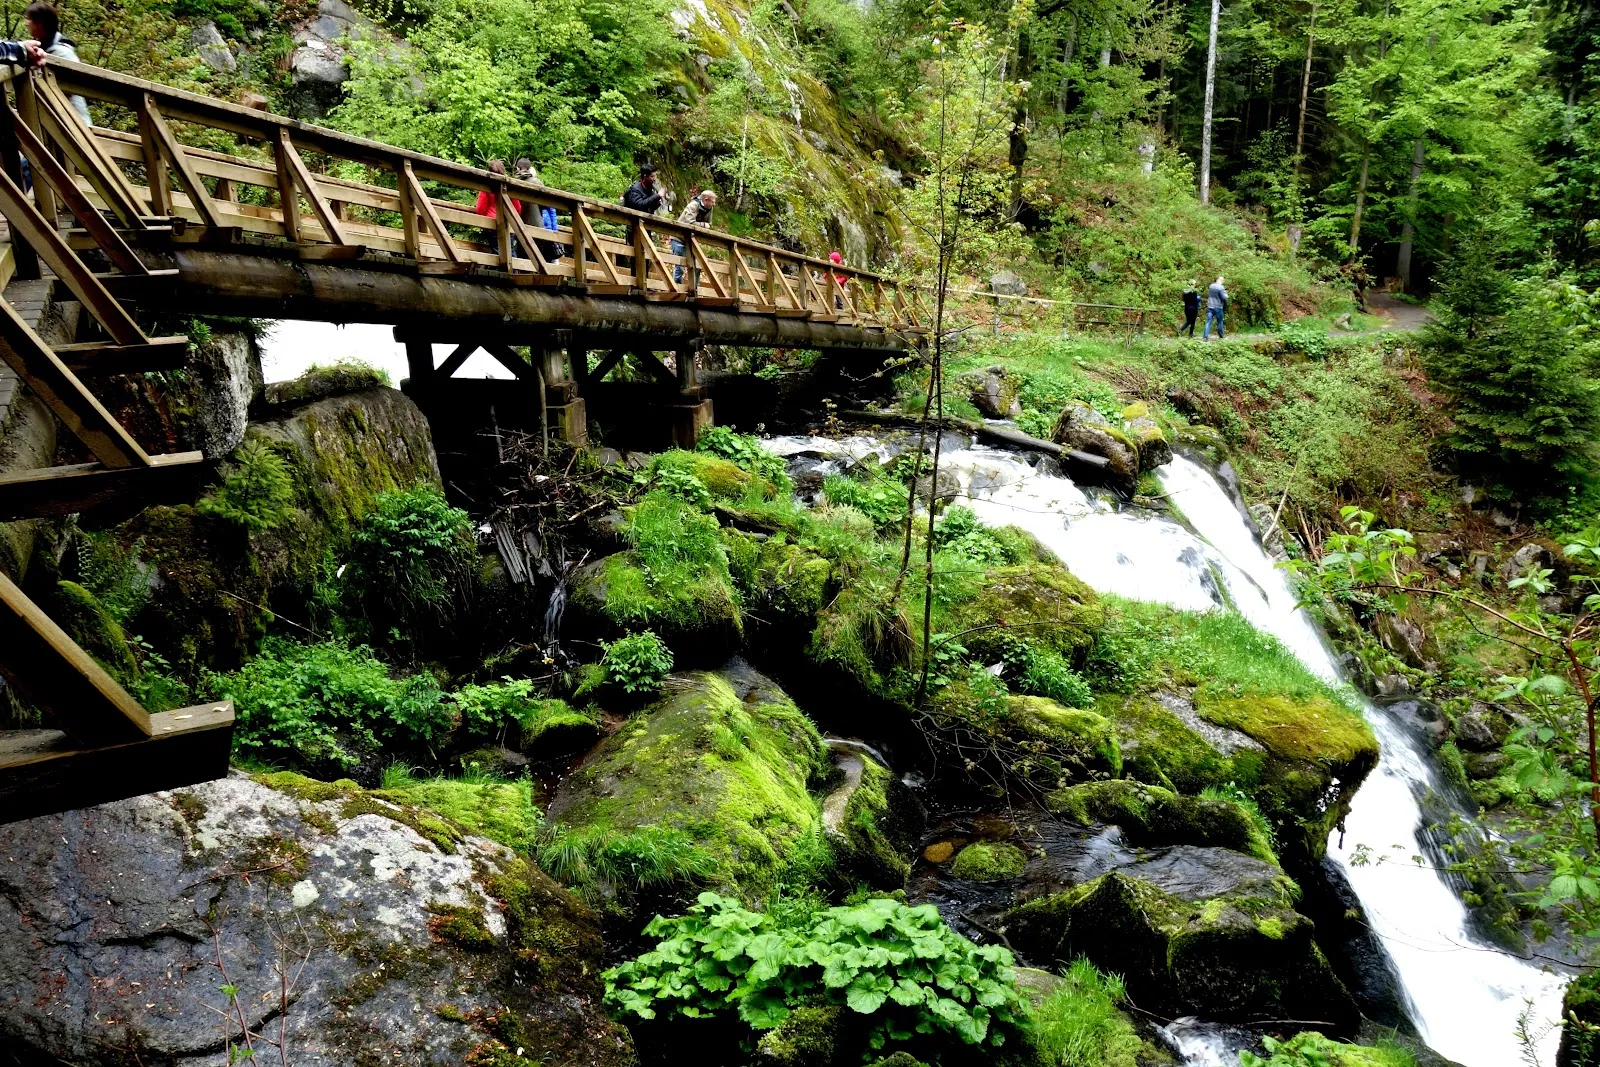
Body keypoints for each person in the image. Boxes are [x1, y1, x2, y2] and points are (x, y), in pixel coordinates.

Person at [24, 5, 86, 124]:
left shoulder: (61, 52)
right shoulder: (46, 47)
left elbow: (72, 88)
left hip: (73, 123)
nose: (26, 23)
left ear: (39, 23)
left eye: (29, 19)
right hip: (58, 120)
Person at [514, 157, 562, 260]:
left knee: (522, 257)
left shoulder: (512, 182)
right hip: (536, 224)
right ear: (530, 168)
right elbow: (546, 204)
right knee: (537, 258)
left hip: (518, 224)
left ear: (517, 168)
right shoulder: (537, 182)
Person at [672, 187, 716, 285]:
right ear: (706, 200)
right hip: (679, 238)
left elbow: (709, 224)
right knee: (680, 266)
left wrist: (705, 226)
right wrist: (703, 225)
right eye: (712, 202)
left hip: (692, 240)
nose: (714, 204)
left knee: (697, 265)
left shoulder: (709, 209)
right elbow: (689, 222)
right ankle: (676, 289)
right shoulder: (693, 205)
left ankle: (694, 289)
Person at [1203, 275, 1227, 340]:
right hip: (1218, 307)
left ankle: (1205, 336)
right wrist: (1226, 294)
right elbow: (1223, 298)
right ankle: (1221, 336)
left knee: (1208, 322)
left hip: (1210, 306)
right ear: (1222, 280)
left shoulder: (1211, 286)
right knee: (1219, 322)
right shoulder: (1221, 288)